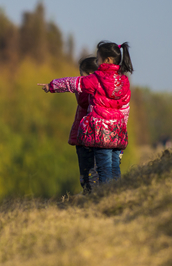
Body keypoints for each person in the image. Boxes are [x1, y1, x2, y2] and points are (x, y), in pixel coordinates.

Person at [40, 41, 132, 184]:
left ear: (107, 60)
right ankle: (118, 196)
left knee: (104, 170)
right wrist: (122, 128)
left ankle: (106, 199)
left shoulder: (96, 79)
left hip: (101, 134)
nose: (97, 62)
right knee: (115, 170)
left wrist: (51, 86)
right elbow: (125, 109)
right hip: (118, 132)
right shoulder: (124, 81)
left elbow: (72, 83)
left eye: (98, 58)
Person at [72, 56, 100, 193]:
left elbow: (83, 101)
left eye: (81, 75)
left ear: (89, 75)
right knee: (86, 172)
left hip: (88, 136)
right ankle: (88, 192)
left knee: (91, 171)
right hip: (83, 136)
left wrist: (80, 88)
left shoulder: (89, 89)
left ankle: (92, 194)